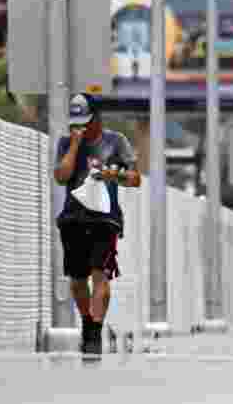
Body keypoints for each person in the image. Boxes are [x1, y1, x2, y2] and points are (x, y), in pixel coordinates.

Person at [52, 92, 141, 355]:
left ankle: (94, 332)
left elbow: (135, 179)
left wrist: (115, 174)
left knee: (100, 274)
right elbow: (61, 176)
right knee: (78, 280)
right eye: (76, 122)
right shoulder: (66, 143)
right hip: (73, 219)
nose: (81, 127)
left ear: (98, 118)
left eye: (86, 121)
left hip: (106, 220)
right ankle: (88, 322)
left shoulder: (116, 142)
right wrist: (75, 145)